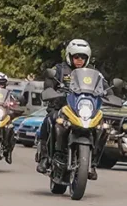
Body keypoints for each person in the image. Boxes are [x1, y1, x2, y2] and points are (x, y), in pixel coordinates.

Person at [36, 39, 91, 173]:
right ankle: (45, 157)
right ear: (69, 56)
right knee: (50, 120)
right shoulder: (59, 70)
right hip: (61, 107)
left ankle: (93, 162)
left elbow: (104, 85)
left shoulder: (91, 72)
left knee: (102, 126)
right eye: (76, 57)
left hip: (82, 111)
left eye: (83, 57)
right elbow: (49, 84)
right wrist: (51, 91)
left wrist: (110, 94)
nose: (79, 60)